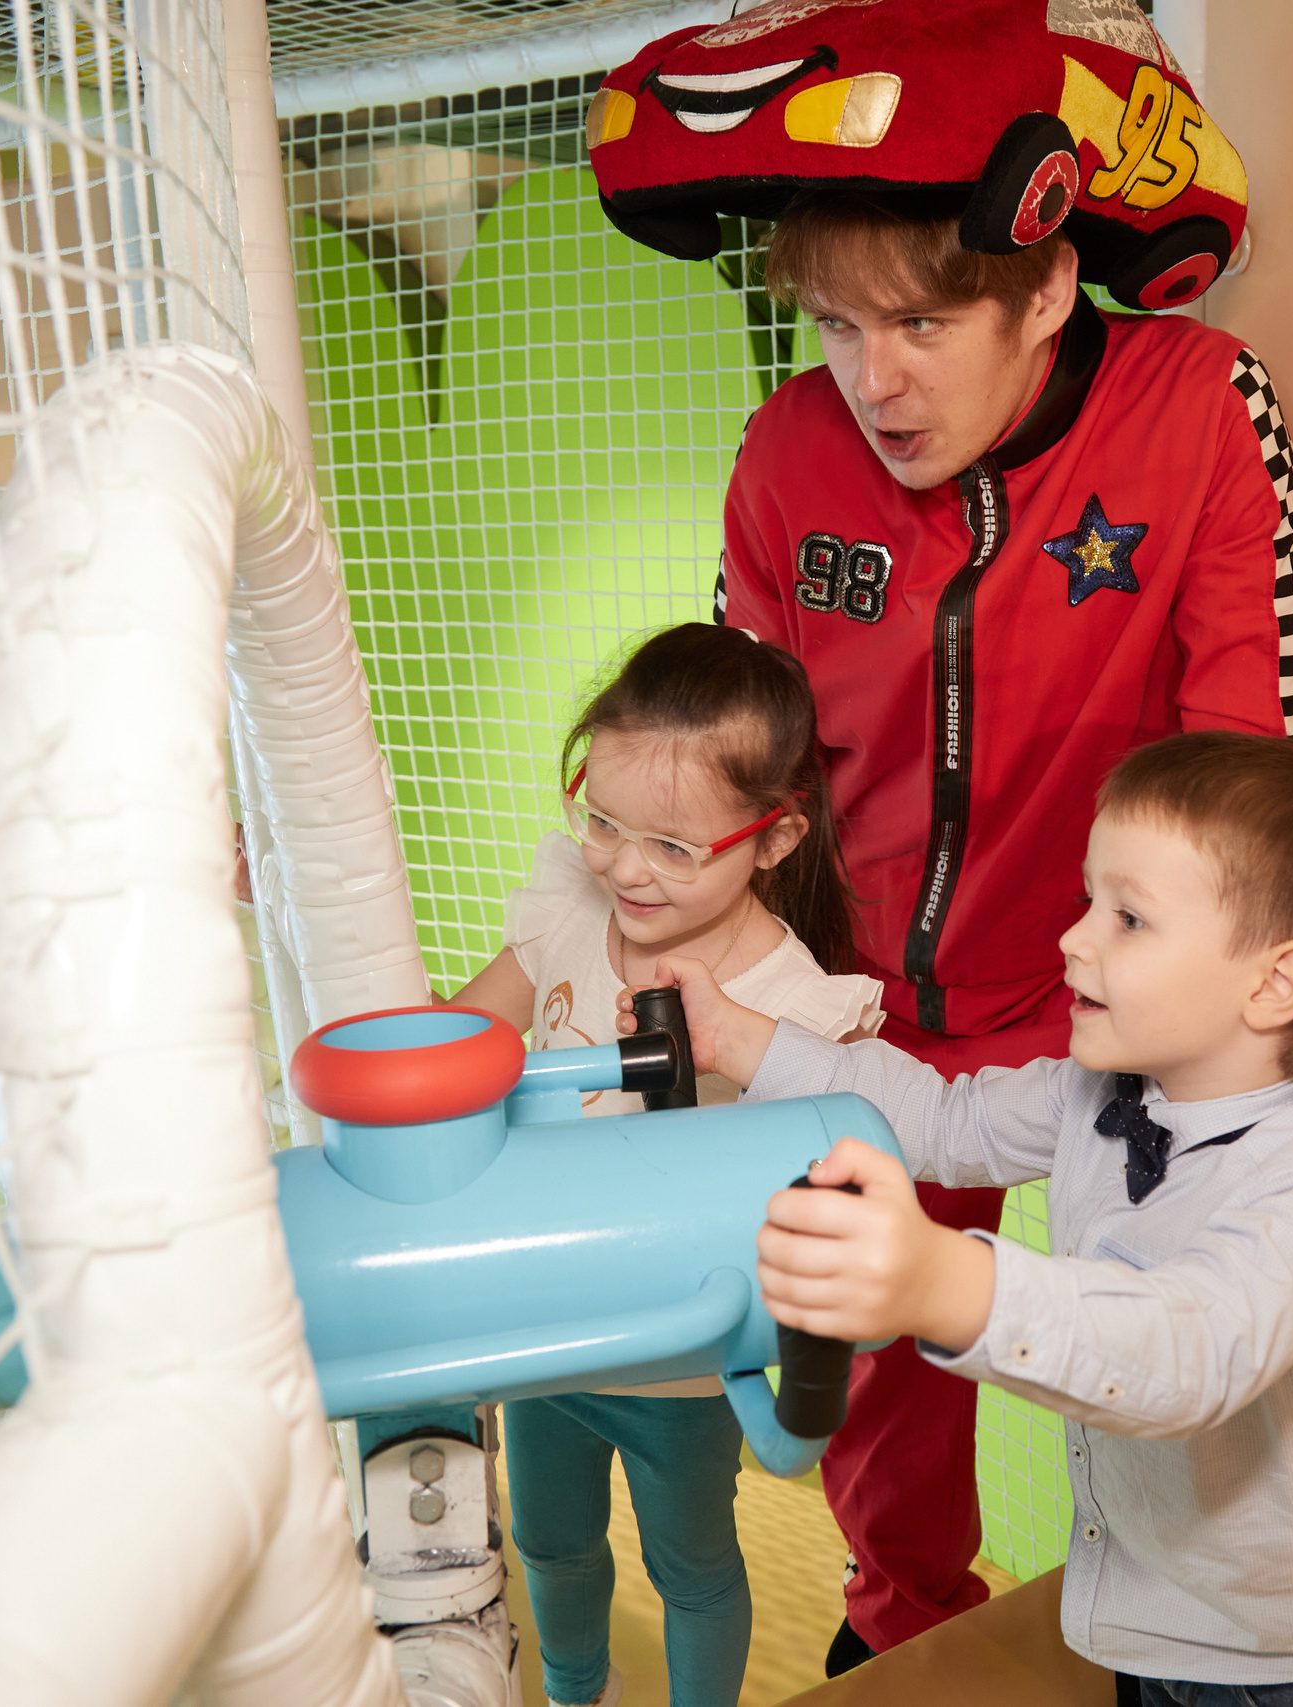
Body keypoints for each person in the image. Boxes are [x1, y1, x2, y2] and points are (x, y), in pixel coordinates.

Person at [714, 191, 1293, 1667]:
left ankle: (1200, 1645)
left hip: (1120, 1010)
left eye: (921, 323)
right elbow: (743, 744)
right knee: (871, 1364)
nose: (875, 381)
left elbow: (1260, 755)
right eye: (842, 326)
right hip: (871, 1004)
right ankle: (901, 1621)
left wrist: (1200, 1023)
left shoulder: (1193, 404)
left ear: (1046, 287)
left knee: (1175, 1355)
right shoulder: (791, 449)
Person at [626, 731, 1293, 1706]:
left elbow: (1182, 1356)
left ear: (1274, 985)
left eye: (1128, 918)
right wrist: (744, 1038)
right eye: (1087, 902)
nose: (1074, 940)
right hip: (1150, 1618)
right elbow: (938, 1117)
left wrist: (947, 1283)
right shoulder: (1097, 1089)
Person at [438, 622, 886, 1707]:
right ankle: (573, 1693)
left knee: (691, 1567)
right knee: (547, 1543)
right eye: (602, 819)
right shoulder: (565, 918)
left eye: (676, 848)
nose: (625, 867)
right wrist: (306, 902)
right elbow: (453, 1039)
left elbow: (841, 1177)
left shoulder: (791, 1003)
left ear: (775, 838)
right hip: (545, 1328)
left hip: (682, 1352)